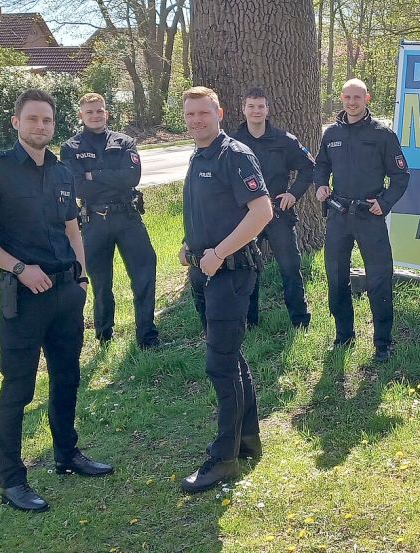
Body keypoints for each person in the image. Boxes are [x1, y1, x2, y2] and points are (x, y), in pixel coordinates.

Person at [0, 89, 113, 513]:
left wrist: (81, 279)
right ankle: (12, 480)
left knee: (67, 379)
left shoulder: (63, 172)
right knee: (18, 388)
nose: (40, 127)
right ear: (16, 122)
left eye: (46, 120)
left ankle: (67, 454)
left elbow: (72, 231)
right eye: (32, 120)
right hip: (23, 298)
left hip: (66, 294)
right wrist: (18, 269)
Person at [178, 86, 273, 493]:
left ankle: (225, 458)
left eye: (204, 113)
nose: (197, 120)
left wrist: (218, 252)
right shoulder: (200, 154)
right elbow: (209, 209)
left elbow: (262, 212)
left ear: (219, 112)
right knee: (229, 356)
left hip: (230, 274)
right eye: (190, 115)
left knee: (219, 364)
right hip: (205, 269)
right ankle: (248, 438)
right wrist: (191, 244)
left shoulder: (234, 154)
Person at [313, 78, 410, 363]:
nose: (352, 102)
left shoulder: (382, 134)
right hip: (339, 215)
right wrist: (320, 185)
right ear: (341, 98)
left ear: (366, 99)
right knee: (336, 278)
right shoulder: (330, 134)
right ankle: (344, 335)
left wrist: (384, 203)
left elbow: (401, 175)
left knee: (380, 280)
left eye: (358, 97)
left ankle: (382, 343)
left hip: (370, 216)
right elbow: (321, 165)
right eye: (347, 97)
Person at [60, 93, 160, 349]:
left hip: (127, 217)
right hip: (94, 220)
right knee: (101, 282)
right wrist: (108, 177)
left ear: (107, 113)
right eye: (90, 112)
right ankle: (104, 334)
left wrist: (94, 175)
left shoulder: (124, 141)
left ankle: (147, 336)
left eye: (100, 111)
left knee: (144, 273)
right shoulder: (71, 147)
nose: (95, 116)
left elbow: (132, 177)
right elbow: (78, 187)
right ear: (81, 115)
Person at [231, 87, 314, 329]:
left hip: (278, 214)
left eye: (260, 106)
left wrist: (293, 193)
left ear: (267, 110)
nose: (256, 111)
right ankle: (249, 322)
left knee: (290, 267)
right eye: (251, 106)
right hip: (245, 216)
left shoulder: (284, 140)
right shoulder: (232, 143)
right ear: (243, 109)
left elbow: (309, 168)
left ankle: (300, 322)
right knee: (248, 270)